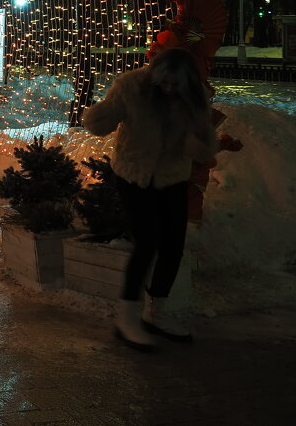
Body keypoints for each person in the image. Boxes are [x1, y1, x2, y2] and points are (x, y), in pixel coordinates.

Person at [82, 47, 217, 351]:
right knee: (147, 243)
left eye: (174, 85)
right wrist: (100, 115)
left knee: (173, 245)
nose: (168, 88)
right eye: (163, 83)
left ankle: (157, 312)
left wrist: (193, 142)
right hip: (134, 174)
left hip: (172, 177)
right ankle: (126, 318)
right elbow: (98, 124)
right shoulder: (131, 87)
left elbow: (207, 147)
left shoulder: (193, 97)